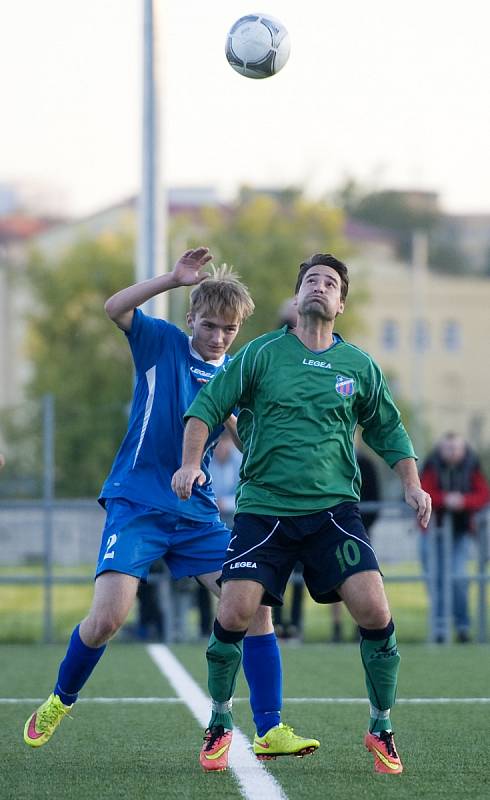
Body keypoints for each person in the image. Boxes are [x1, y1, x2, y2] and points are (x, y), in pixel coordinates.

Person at [24, 247, 316, 770]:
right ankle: (59, 700)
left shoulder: (236, 374)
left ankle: (271, 726)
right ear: (190, 319)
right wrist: (173, 279)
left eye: (228, 330)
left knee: (253, 607)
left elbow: (247, 437)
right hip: (136, 502)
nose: (218, 337)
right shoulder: (161, 343)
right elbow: (115, 306)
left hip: (197, 514)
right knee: (108, 617)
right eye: (208, 326)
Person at [172, 252, 432, 775]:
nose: (319, 286)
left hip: (333, 512)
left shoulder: (358, 365)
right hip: (264, 510)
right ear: (297, 296)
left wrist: (413, 484)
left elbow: (388, 429)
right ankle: (221, 721)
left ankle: (382, 725)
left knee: (377, 613)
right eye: (310, 278)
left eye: (330, 282)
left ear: (341, 302)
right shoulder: (261, 354)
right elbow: (205, 408)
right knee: (234, 614)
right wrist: (189, 465)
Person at [419, 432, 490, 643]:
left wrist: (463, 501)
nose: (451, 453)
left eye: (455, 448)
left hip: (460, 534)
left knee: (459, 578)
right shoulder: (432, 465)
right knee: (436, 580)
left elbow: (483, 495)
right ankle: (440, 629)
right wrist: (446, 500)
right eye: (447, 448)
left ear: (463, 449)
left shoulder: (471, 465)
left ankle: (462, 626)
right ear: (441, 449)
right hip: (431, 533)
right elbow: (422, 492)